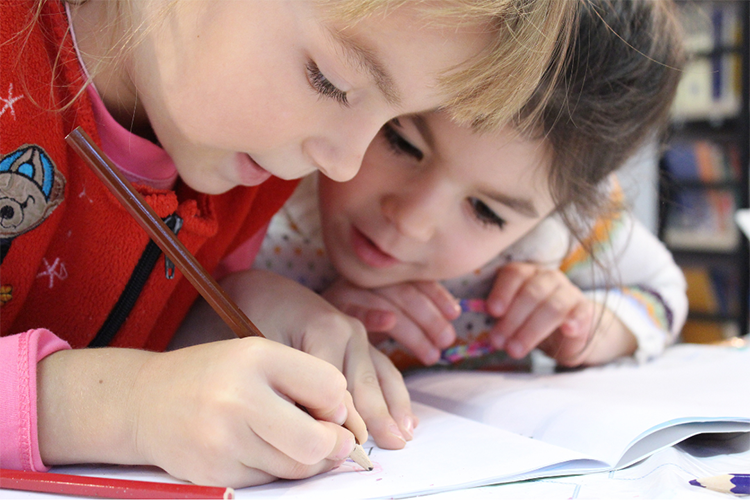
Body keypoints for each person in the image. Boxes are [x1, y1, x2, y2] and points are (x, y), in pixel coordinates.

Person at [0, 0, 578, 489]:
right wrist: (126, 408)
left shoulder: (249, 167)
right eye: (332, 81)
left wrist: (234, 311)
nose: (346, 164)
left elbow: (122, 328)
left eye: (392, 120)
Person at [251, 0, 689, 373]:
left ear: (562, 210)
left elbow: (664, 291)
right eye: (401, 142)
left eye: (486, 212)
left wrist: (592, 327)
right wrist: (286, 318)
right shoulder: (263, 174)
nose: (412, 221)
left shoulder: (565, 234)